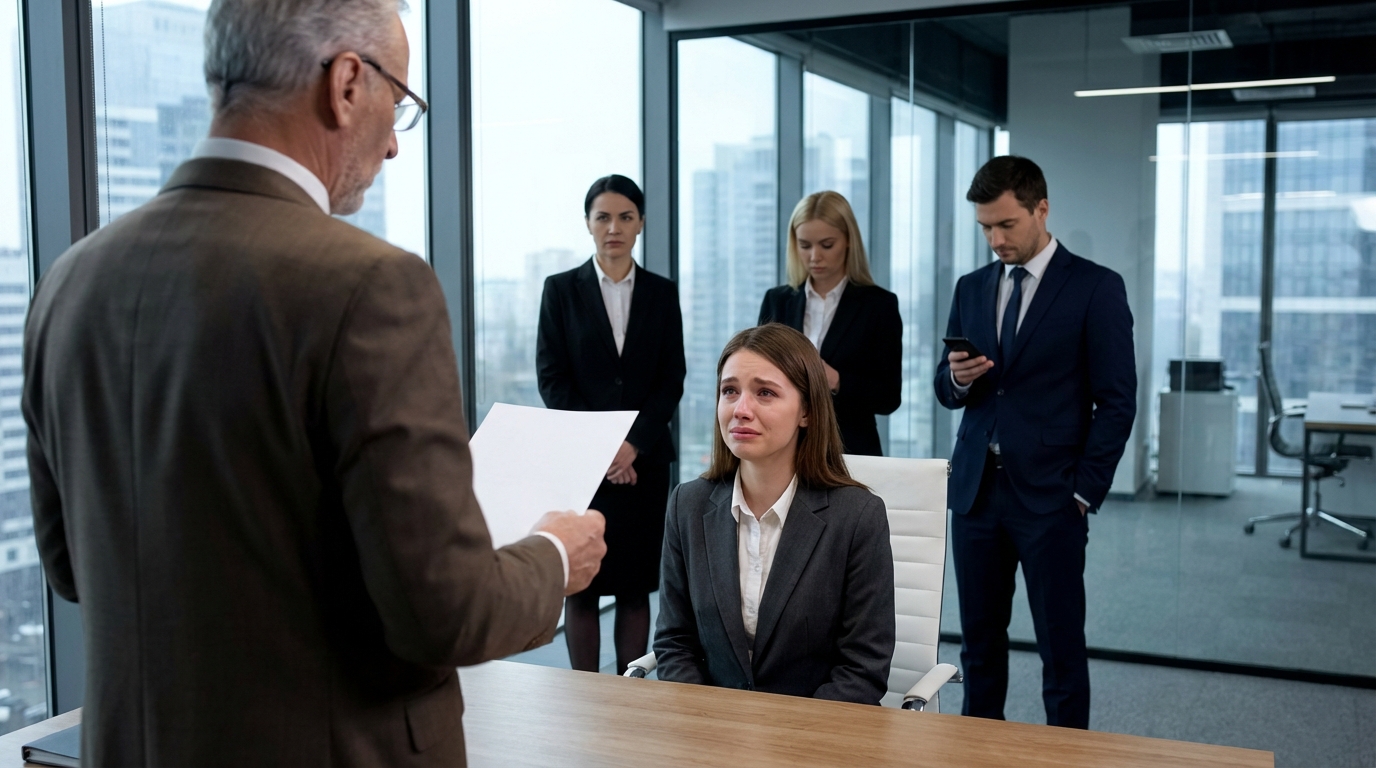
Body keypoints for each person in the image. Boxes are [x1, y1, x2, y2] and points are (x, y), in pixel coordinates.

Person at [21, 1, 607, 765]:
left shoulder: (69, 283)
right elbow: (445, 614)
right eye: (399, 105)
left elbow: (71, 566)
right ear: (347, 83)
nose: (396, 143)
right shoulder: (370, 285)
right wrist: (554, 555)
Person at [934, 156, 1136, 729]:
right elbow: (945, 387)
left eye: (1007, 225)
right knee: (978, 648)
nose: (995, 240)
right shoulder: (971, 288)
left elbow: (1117, 400)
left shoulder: (1095, 287)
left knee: (1060, 650)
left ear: (1041, 209)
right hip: (976, 495)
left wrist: (1084, 491)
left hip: (1053, 497)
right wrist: (957, 378)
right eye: (985, 229)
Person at [654, 323, 894, 704]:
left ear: (807, 413)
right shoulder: (688, 504)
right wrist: (706, 727)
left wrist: (783, 743)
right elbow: (674, 643)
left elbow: (862, 668)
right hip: (711, 734)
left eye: (765, 393)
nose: (741, 410)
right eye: (729, 391)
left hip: (815, 739)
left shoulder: (858, 516)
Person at [536, 175, 686, 675]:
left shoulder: (662, 294)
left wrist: (631, 446)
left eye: (625, 217)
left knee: (634, 586)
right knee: (581, 585)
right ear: (587, 224)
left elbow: (672, 378)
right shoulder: (559, 290)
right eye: (603, 217)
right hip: (582, 466)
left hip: (644, 463)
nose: (614, 227)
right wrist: (600, 449)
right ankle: (584, 693)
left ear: (640, 223)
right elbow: (552, 379)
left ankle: (630, 692)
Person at [758, 191, 902, 456]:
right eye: (804, 245)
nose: (814, 257)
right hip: (784, 450)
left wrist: (836, 380)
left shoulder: (878, 305)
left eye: (826, 245)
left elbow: (889, 397)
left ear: (848, 241)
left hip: (851, 450)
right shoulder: (777, 301)